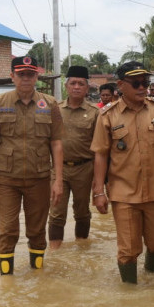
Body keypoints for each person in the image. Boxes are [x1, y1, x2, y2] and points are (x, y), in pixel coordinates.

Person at [90, 61, 154, 284]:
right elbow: (100, 154)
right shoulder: (107, 116)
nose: (142, 88)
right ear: (121, 85)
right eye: (136, 83)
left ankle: (152, 283)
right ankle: (129, 297)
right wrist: (98, 191)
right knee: (129, 250)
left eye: (145, 83)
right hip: (124, 193)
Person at [0, 56, 64, 275]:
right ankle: (7, 281)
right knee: (8, 230)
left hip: (39, 178)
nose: (26, 78)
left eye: (30, 74)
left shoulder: (50, 104)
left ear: (37, 76)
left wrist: (59, 181)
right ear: (12, 76)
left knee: (37, 231)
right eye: (21, 74)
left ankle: (37, 277)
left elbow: (56, 144)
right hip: (7, 179)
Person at [48, 65, 99, 249]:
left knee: (82, 212)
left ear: (87, 88)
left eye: (81, 83)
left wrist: (98, 180)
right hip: (58, 169)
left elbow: (99, 148)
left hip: (85, 169)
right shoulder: (55, 110)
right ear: (66, 86)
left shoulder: (95, 113)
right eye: (73, 83)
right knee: (56, 212)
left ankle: (81, 247)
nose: (76, 87)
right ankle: (54, 252)